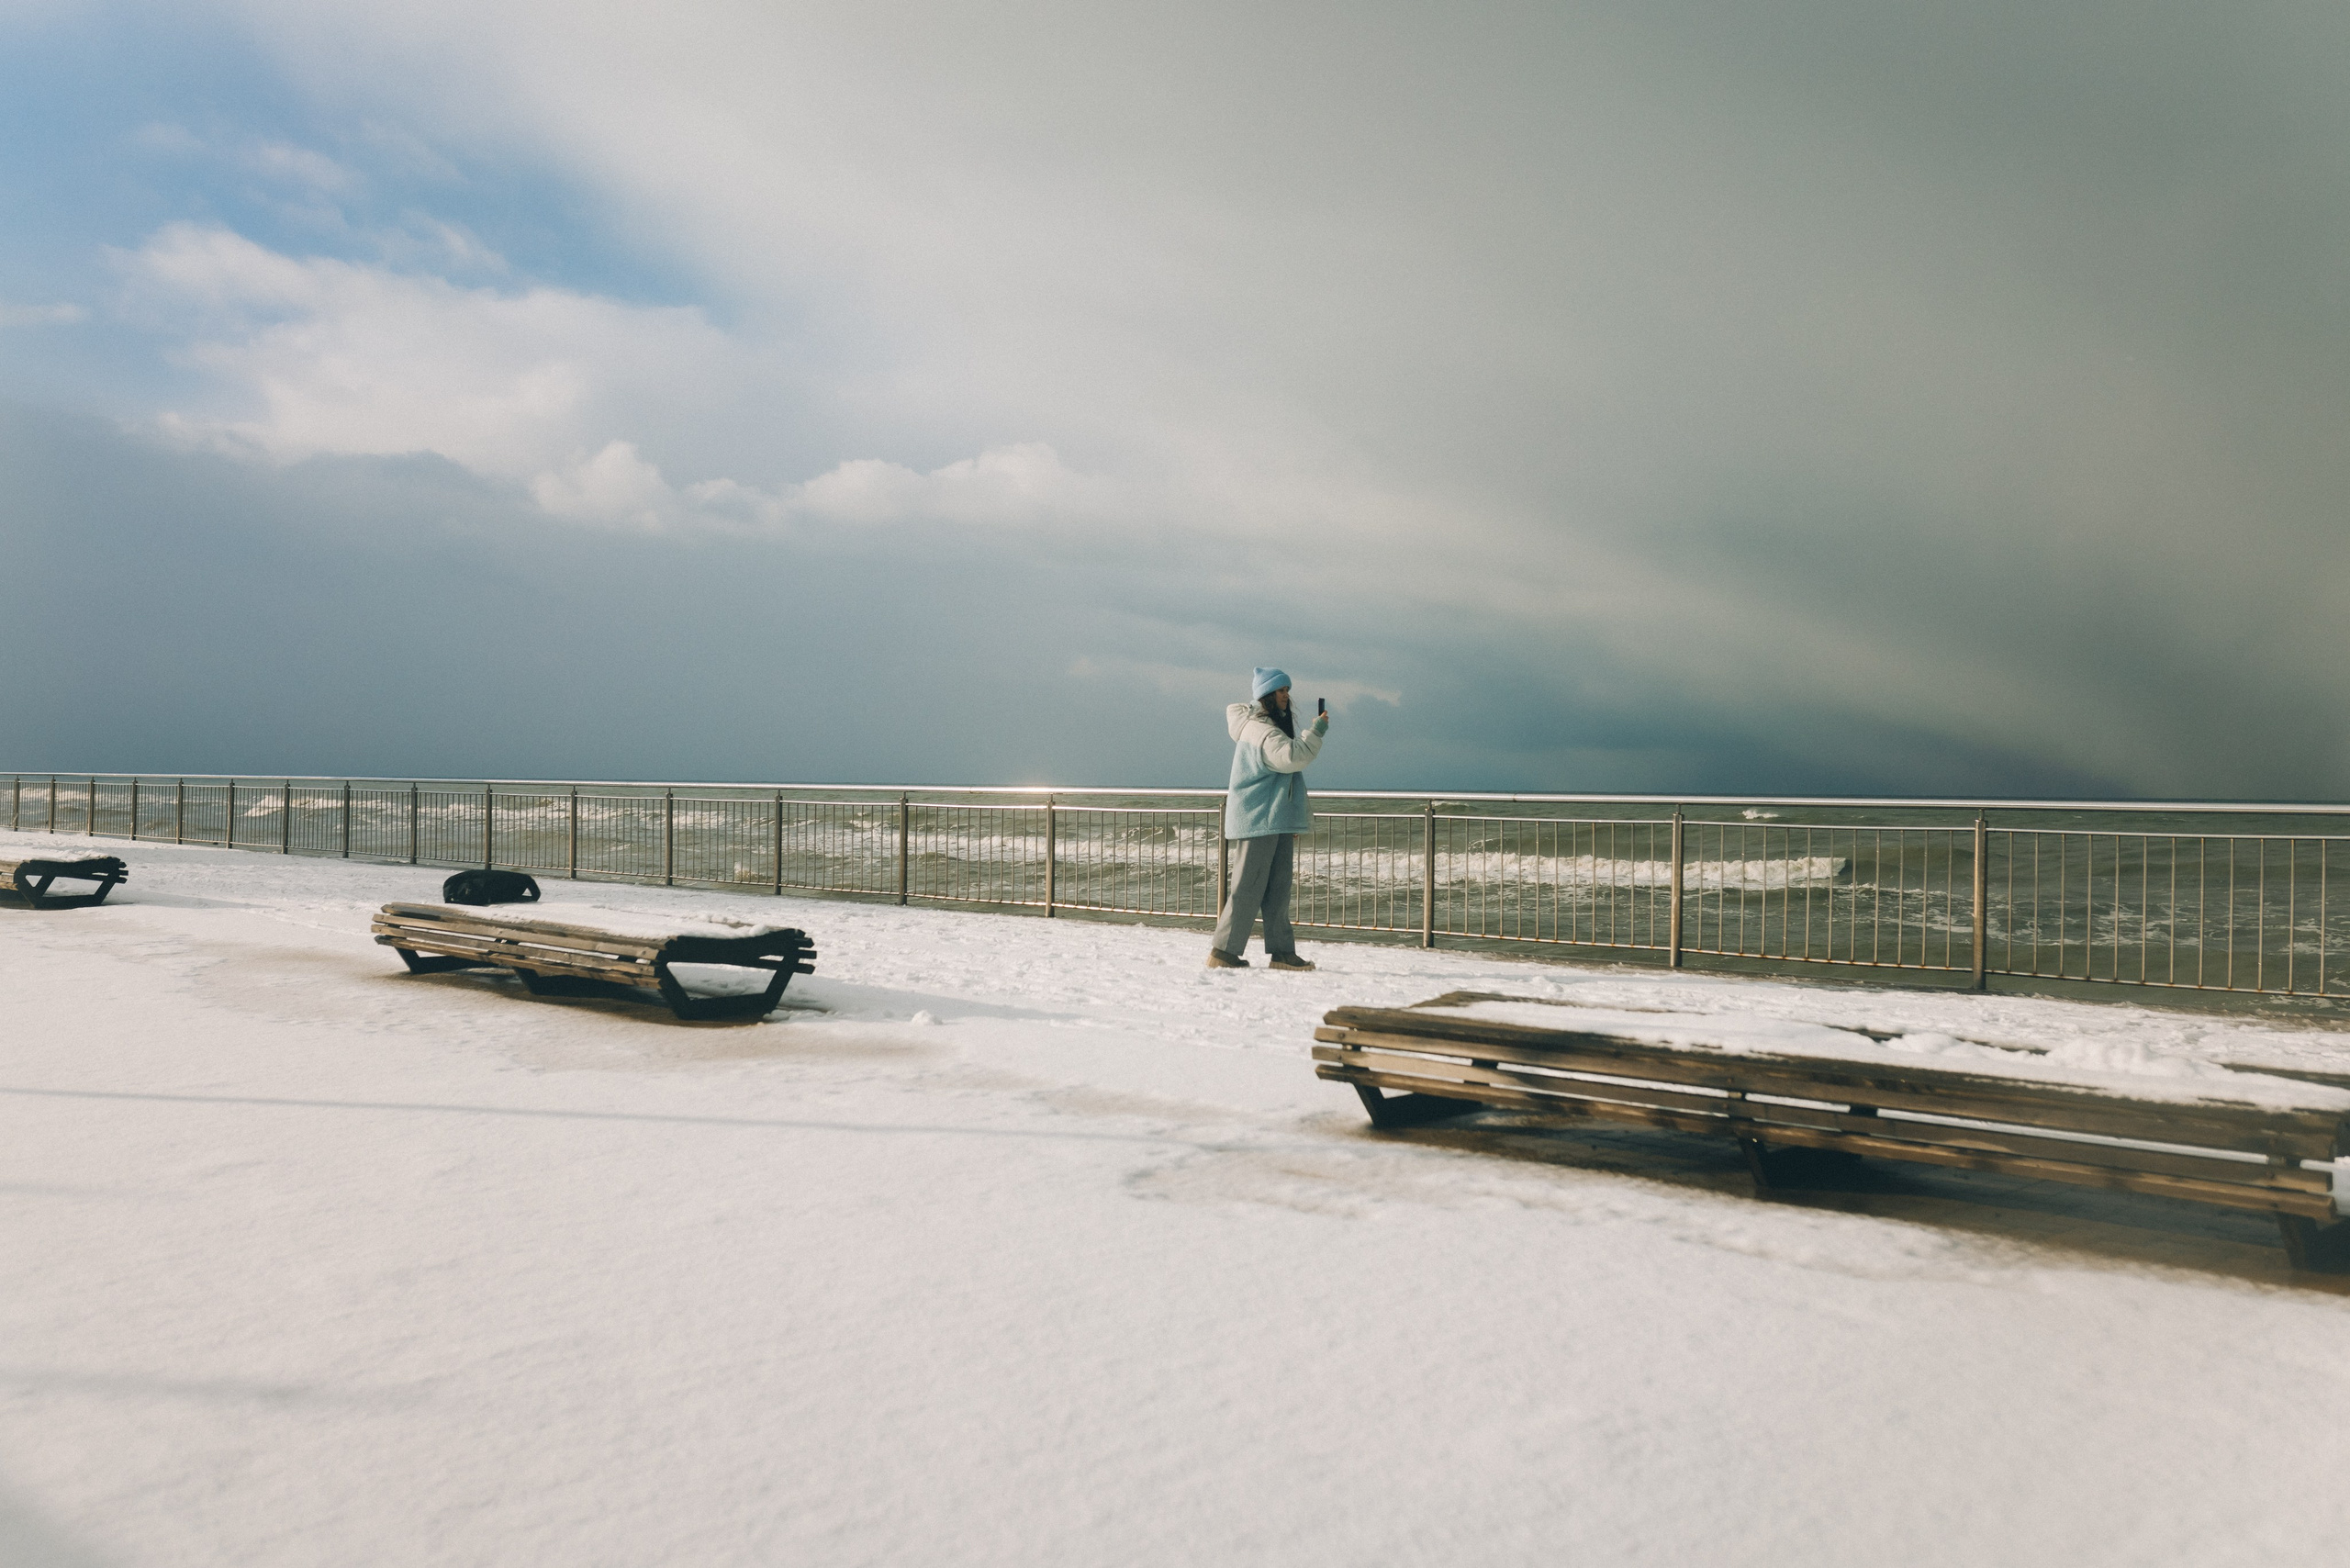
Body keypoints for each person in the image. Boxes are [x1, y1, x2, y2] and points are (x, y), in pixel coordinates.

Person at [1208, 667, 1329, 969]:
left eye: (1287, 690)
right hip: (1259, 818)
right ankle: (1223, 952)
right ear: (1266, 695)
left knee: (1278, 889)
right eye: (1280, 690)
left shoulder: (1266, 726)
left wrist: (1289, 819)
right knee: (1248, 887)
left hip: (1273, 819)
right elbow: (1291, 757)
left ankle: (1282, 952)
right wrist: (1315, 733)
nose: (1286, 695)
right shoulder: (1261, 730)